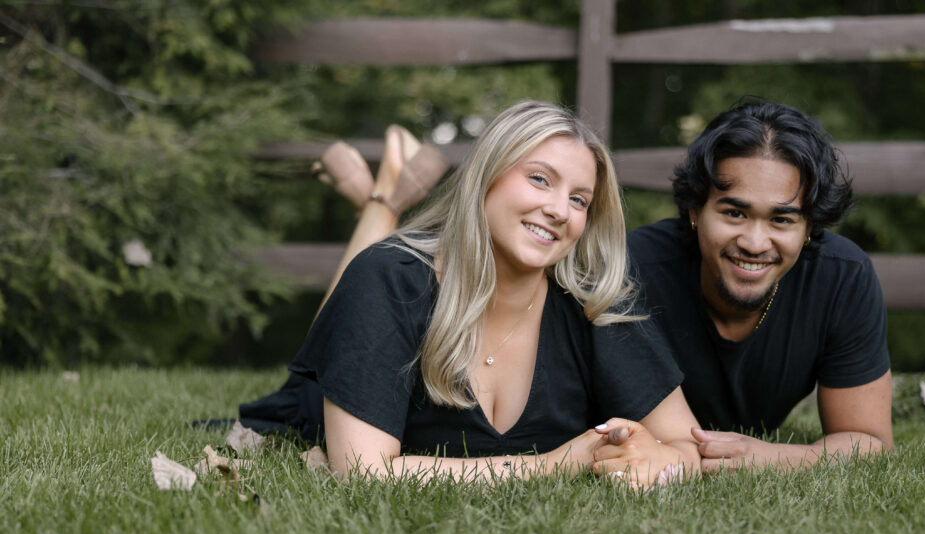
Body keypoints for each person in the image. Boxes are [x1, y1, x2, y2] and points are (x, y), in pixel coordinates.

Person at [241, 100, 702, 483]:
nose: (559, 210)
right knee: (371, 270)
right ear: (487, 176)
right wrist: (552, 465)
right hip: (315, 400)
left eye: (579, 199)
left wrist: (660, 459)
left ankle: (383, 194)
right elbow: (362, 473)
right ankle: (382, 203)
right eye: (539, 179)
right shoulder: (388, 280)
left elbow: (688, 446)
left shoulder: (597, 304)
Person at [594, 100, 892, 476]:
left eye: (781, 219)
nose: (754, 242)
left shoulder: (842, 278)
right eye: (735, 213)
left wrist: (769, 457)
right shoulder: (631, 269)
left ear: (809, 229)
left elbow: (869, 441)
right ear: (695, 212)